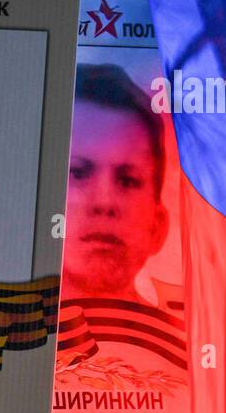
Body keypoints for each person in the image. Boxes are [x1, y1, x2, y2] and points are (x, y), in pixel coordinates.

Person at [62, 64, 169, 303]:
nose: (104, 202)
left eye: (128, 180)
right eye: (78, 173)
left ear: (158, 227)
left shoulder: (194, 338)